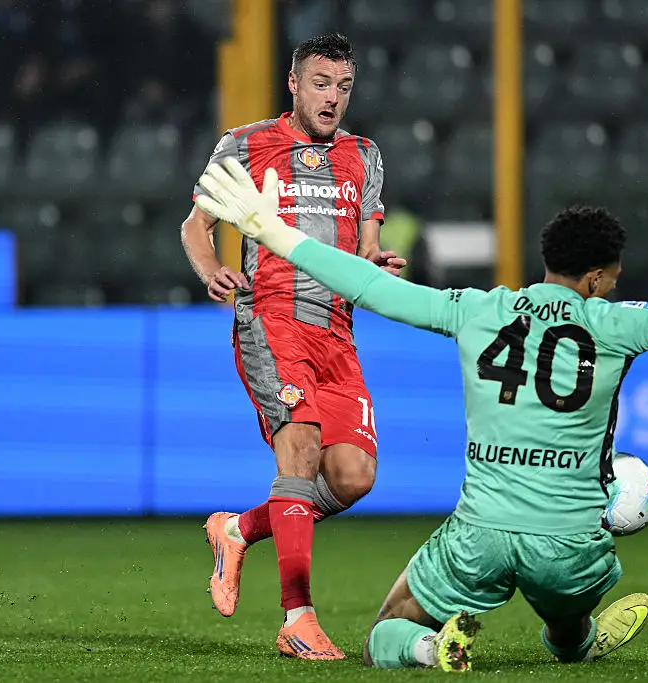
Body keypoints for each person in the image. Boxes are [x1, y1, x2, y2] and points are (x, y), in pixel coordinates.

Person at [190, 107, 648, 671]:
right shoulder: (618, 327)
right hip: (568, 542)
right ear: (595, 281)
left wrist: (273, 232)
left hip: (479, 536)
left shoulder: (477, 311)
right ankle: (574, 638)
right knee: (569, 612)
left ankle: (433, 647)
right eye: (613, 281)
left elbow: (366, 285)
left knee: (384, 639)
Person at [180, 33, 406, 661]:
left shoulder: (365, 155)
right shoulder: (247, 143)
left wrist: (376, 266)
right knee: (300, 448)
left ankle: (237, 529)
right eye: (321, 83)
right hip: (270, 318)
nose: (333, 98)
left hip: (336, 328)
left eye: (344, 87)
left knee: (353, 476)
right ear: (293, 83)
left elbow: (363, 251)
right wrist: (208, 270)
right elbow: (196, 224)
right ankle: (297, 619)